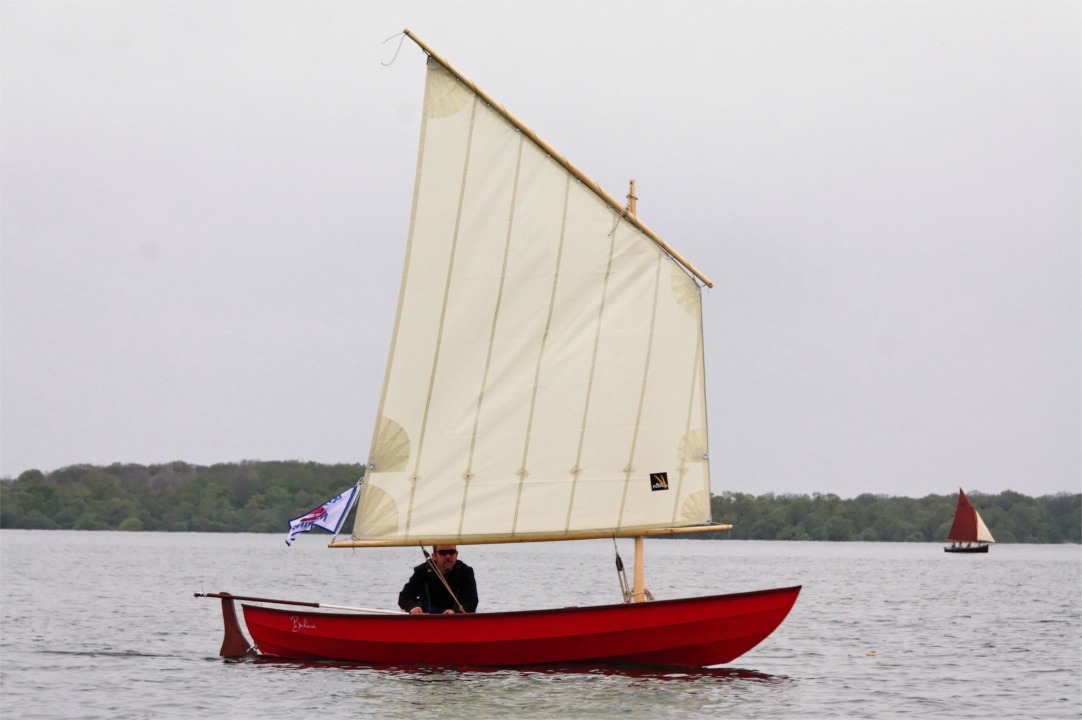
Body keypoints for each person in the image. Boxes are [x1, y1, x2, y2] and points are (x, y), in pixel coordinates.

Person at [397, 545, 478, 614]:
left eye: (451, 552)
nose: (448, 556)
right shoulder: (423, 570)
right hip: (427, 617)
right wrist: (413, 607)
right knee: (403, 611)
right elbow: (405, 596)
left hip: (454, 618)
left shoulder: (465, 571)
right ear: (434, 556)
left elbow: (472, 601)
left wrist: (455, 612)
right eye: (443, 553)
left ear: (456, 554)